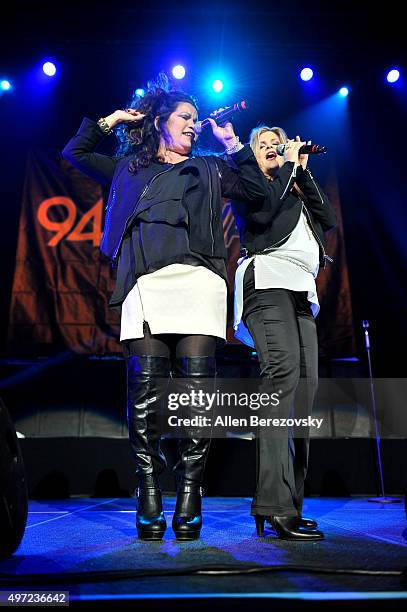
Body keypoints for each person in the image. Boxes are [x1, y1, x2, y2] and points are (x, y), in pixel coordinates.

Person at [62, 77, 266, 541]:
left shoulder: (211, 169)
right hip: (145, 286)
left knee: (195, 398)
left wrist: (231, 142)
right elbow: (74, 153)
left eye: (197, 120)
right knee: (146, 396)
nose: (194, 126)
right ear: (159, 122)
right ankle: (149, 491)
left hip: (199, 284)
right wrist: (111, 120)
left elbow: (256, 188)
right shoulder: (128, 168)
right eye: (185, 118)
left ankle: (190, 492)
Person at [231, 125, 336, 541]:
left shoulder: (295, 185)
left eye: (279, 141)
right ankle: (274, 506)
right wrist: (287, 166)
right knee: (283, 378)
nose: (274, 147)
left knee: (305, 391)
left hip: (300, 291)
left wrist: (302, 170)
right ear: (253, 154)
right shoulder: (251, 182)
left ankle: (288, 503)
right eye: (264, 144)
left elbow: (326, 219)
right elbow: (261, 215)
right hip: (267, 281)